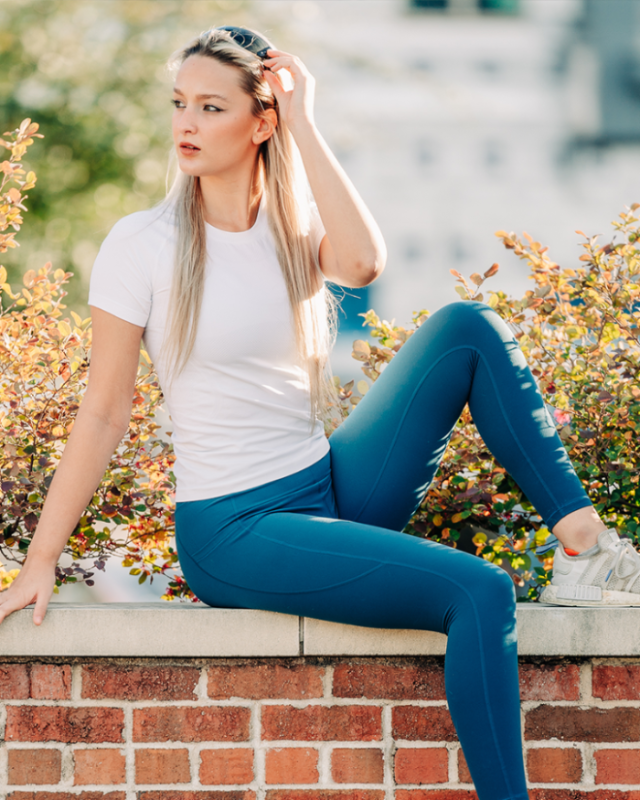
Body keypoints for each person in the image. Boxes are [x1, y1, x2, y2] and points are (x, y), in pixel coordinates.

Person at [1, 24, 639, 800]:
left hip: (327, 486)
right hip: (234, 529)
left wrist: (305, 121)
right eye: (179, 105)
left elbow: (366, 262)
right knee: (481, 591)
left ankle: (585, 551)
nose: (185, 126)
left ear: (259, 120)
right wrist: (41, 561)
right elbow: (102, 415)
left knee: (467, 329)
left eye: (209, 106)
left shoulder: (291, 229)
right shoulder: (143, 245)